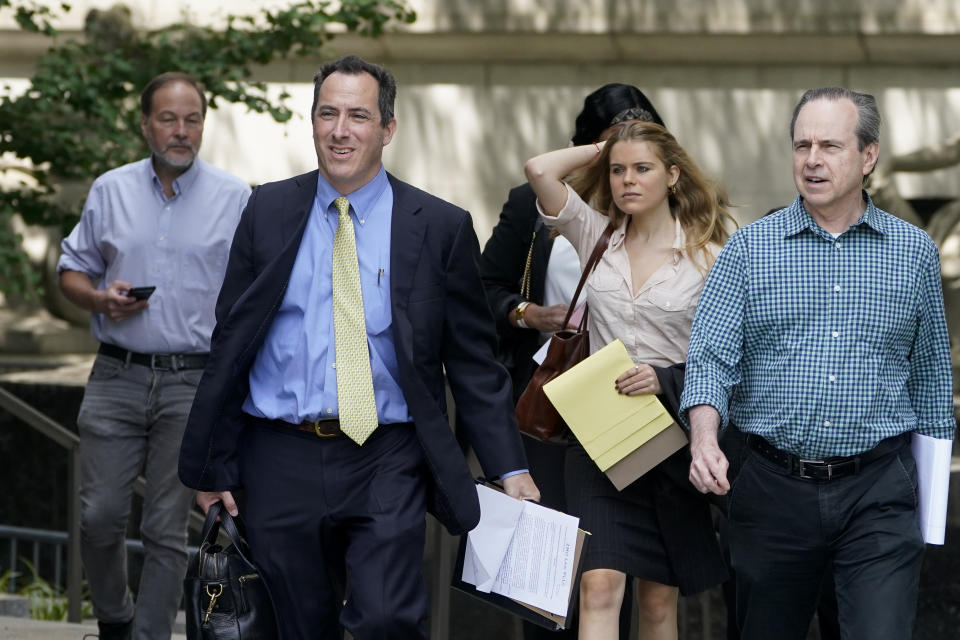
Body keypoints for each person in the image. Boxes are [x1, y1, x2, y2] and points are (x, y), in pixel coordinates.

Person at [177, 54, 540, 640]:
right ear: (313, 122)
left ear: (387, 129)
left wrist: (510, 466)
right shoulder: (266, 209)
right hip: (279, 454)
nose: (340, 130)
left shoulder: (439, 226)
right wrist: (211, 463)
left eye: (358, 116)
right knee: (296, 625)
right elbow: (231, 344)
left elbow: (474, 361)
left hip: (386, 455)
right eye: (328, 114)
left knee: (387, 618)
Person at [682, 87, 956, 640]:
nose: (812, 159)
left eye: (830, 145)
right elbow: (710, 358)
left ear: (868, 157)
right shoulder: (749, 250)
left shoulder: (914, 252)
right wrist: (704, 437)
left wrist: (930, 510)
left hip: (877, 491)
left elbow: (931, 381)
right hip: (771, 490)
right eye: (802, 145)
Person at [57, 72, 251, 640]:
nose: (181, 131)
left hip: (192, 383)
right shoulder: (110, 189)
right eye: (168, 119)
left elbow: (251, 292)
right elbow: (71, 270)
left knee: (168, 528)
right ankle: (115, 620)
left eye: (192, 119)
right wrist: (98, 299)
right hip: (116, 372)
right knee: (98, 518)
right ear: (145, 124)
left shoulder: (234, 197)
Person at [525, 120, 734, 640]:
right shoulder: (596, 234)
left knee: (657, 600)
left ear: (673, 175)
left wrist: (664, 378)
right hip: (600, 440)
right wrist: (607, 144)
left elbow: (729, 356)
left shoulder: (709, 255)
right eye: (618, 171)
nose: (627, 180)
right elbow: (539, 169)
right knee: (598, 587)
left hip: (673, 439)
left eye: (642, 168)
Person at [480, 83, 666, 640]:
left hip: (627, 407)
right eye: (612, 147)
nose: (622, 163)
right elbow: (483, 289)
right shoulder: (536, 207)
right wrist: (528, 314)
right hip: (548, 407)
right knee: (547, 575)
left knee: (613, 572)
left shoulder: (661, 210)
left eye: (639, 146)